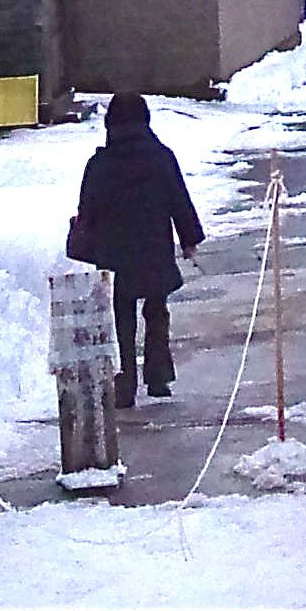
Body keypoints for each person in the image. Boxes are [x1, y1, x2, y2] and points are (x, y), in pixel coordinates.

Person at [73, 92, 203, 408]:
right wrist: (189, 239)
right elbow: (178, 200)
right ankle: (158, 377)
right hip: (154, 249)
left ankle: (124, 383)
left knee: (122, 318)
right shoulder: (161, 157)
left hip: (114, 255)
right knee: (156, 311)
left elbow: (87, 209)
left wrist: (85, 240)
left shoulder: (100, 164)